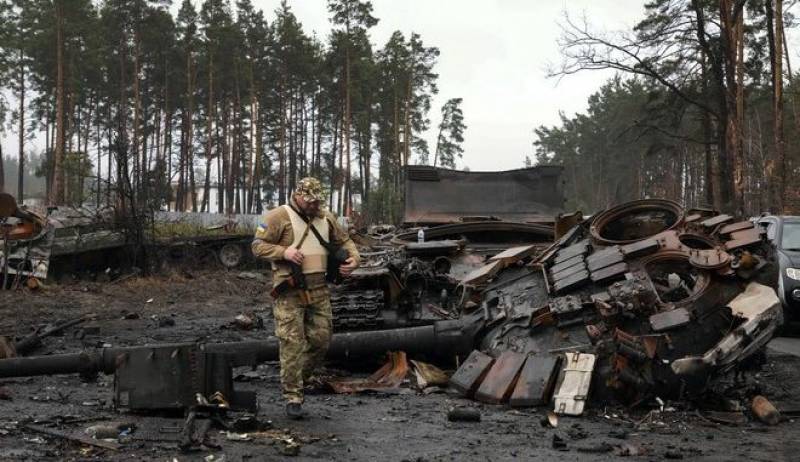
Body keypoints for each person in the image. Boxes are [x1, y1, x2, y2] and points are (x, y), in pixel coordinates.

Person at [251, 177, 360, 419]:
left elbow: (345, 241)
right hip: (289, 291)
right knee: (292, 343)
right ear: (298, 195)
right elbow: (257, 246)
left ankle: (297, 378)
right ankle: (293, 396)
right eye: (310, 201)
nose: (314, 205)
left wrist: (354, 259)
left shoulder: (326, 217)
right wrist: (284, 252)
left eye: (317, 201)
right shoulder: (278, 216)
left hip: (319, 289)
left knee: (321, 340)